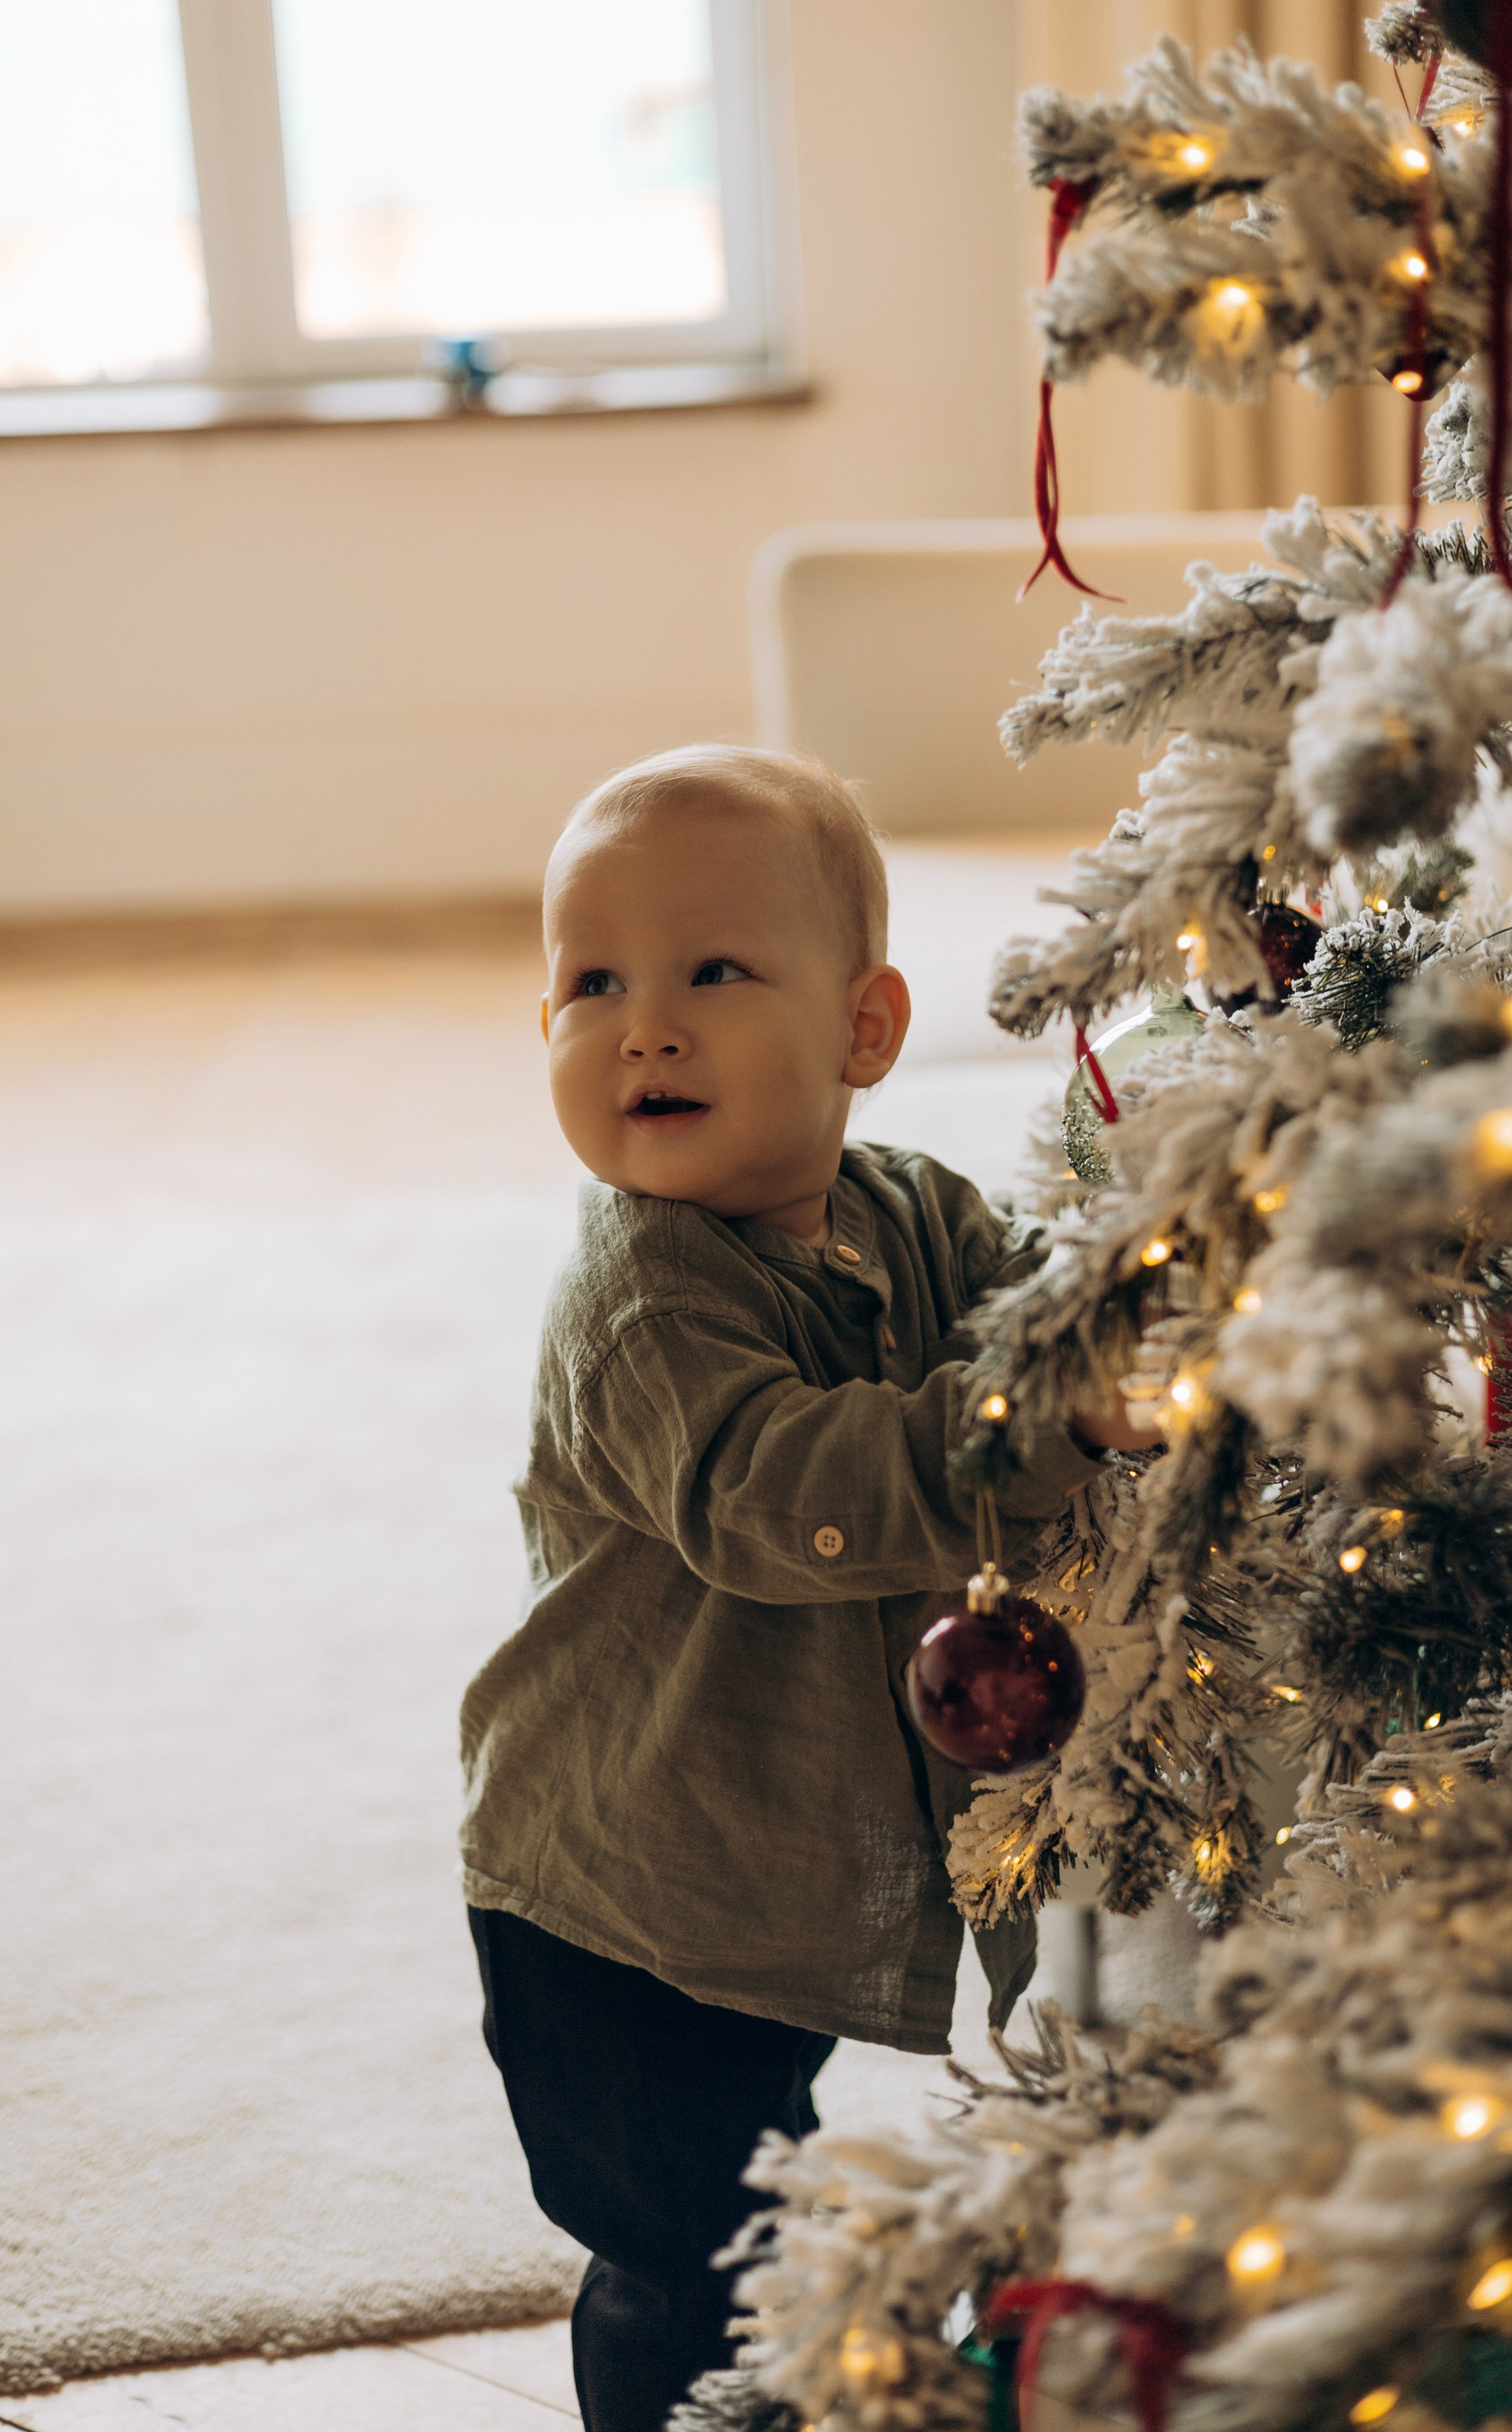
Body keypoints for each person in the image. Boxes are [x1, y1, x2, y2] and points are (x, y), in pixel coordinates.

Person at [458, 746, 1138, 2432]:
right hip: (620, 1898)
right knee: (690, 2257)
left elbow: (1026, 1317)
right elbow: (782, 1495)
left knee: (783, 2191)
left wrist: (1131, 1311)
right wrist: (1051, 1417)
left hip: (783, 1855)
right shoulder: (639, 1296)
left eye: (711, 971)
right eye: (591, 984)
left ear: (865, 1029)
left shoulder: (913, 1214)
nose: (643, 1028)